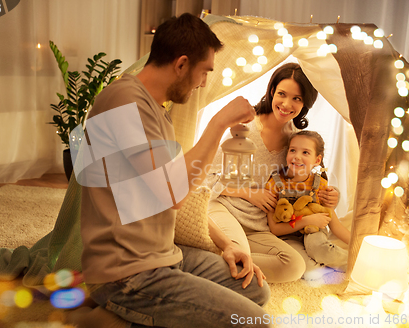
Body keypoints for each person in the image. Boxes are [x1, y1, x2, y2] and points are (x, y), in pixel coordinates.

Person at [69, 13, 272, 328]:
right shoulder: (125, 102)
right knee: (253, 321)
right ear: (181, 64)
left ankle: (124, 317)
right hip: (127, 272)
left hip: (163, 254)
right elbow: (172, 193)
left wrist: (226, 243)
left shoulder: (156, 112)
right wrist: (219, 123)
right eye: (204, 72)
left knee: (255, 291)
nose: (204, 82)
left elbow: (169, 197)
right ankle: (110, 313)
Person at [207, 62, 340, 283]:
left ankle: (222, 258)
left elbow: (304, 183)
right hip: (224, 208)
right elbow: (206, 179)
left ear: (305, 102)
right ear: (271, 92)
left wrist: (331, 196)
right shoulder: (244, 129)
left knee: (295, 266)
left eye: (297, 98)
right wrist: (249, 193)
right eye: (282, 94)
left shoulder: (296, 142)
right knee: (241, 256)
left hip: (259, 225)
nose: (287, 104)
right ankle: (220, 262)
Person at [265, 131, 350, 280]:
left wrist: (360, 248)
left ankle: (355, 263)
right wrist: (306, 221)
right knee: (307, 269)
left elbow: (335, 225)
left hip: (315, 231)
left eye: (305, 152)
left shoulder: (320, 184)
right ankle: (331, 268)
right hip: (288, 235)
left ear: (317, 160)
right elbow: (275, 229)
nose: (297, 156)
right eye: (293, 150)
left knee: (319, 249)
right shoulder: (274, 183)